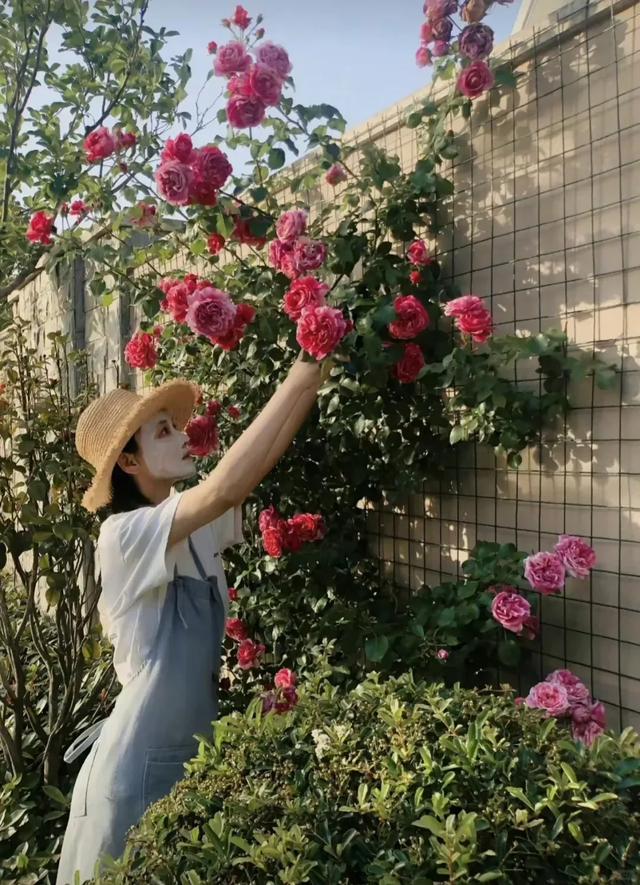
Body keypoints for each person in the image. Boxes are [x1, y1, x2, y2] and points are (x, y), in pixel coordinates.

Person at [56, 354, 329, 885]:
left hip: (186, 753)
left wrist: (312, 375)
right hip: (135, 768)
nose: (181, 437)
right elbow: (224, 488)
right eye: (162, 431)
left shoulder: (191, 525)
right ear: (129, 463)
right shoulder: (124, 537)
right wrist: (295, 374)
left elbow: (246, 478)